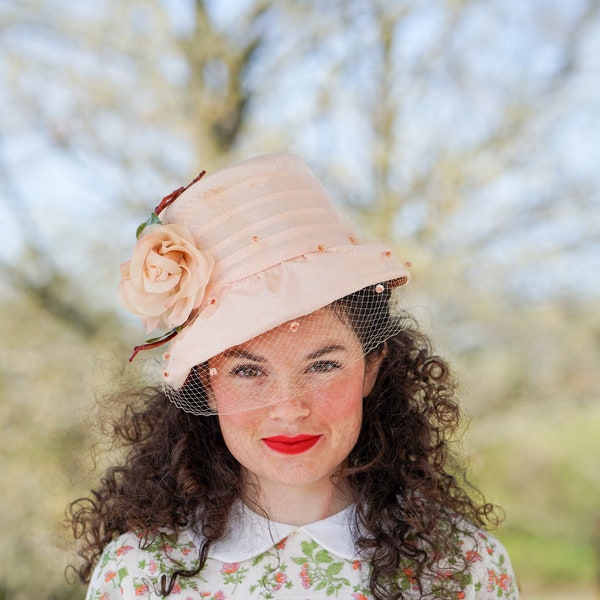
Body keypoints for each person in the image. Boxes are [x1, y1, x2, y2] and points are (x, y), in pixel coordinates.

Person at [69, 153, 519, 599]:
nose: (288, 407)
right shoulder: (140, 577)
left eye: (322, 365)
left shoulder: (464, 568)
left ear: (372, 367)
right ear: (207, 383)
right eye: (247, 370)